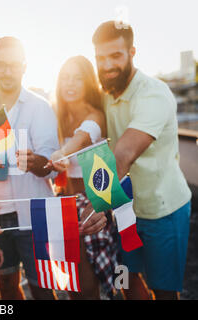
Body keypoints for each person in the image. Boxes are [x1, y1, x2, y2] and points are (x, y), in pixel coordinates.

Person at [92, 20, 192, 300]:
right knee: (125, 277)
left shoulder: (154, 94)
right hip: (126, 209)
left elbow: (124, 153)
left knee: (164, 291)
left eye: (116, 56)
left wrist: (98, 203)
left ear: (132, 52)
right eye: (100, 58)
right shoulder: (106, 91)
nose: (107, 64)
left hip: (163, 211)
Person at [0, 36, 62, 300]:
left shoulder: (40, 107)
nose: (7, 71)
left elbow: (52, 167)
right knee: (6, 287)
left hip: (35, 210)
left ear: (24, 66)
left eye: (13, 64)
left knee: (43, 286)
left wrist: (36, 163)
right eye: (1, 65)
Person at [46, 55, 119, 299]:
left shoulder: (94, 115)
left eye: (78, 78)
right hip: (63, 203)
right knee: (68, 281)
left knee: (89, 285)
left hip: (93, 203)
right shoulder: (55, 116)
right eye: (66, 77)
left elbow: (82, 138)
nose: (71, 83)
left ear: (88, 82)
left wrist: (61, 153)